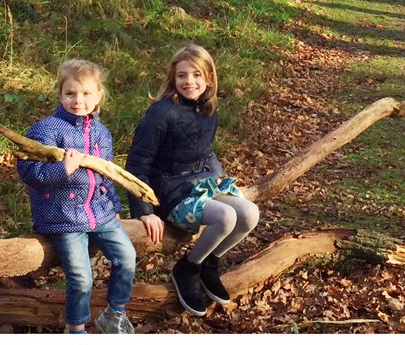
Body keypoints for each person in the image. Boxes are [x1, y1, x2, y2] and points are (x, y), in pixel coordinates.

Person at [126, 44, 260, 317]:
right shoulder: (161, 113)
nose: (190, 82)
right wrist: (144, 212)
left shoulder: (208, 109)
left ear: (209, 78)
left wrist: (221, 178)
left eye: (197, 75)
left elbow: (206, 151)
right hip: (168, 190)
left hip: (200, 184)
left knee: (248, 213)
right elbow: (137, 163)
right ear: (173, 79)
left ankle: (210, 261)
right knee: (225, 217)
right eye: (182, 76)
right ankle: (188, 267)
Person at [17, 59, 136, 334]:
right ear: (60, 94)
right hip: (63, 216)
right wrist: (63, 169)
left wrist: (115, 206)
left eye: (86, 94)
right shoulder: (46, 130)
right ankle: (76, 327)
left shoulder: (101, 133)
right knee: (82, 277)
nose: (78, 101)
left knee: (127, 256)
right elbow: (29, 170)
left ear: (98, 97)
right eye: (70, 93)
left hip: (100, 212)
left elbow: (108, 175)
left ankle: (115, 312)